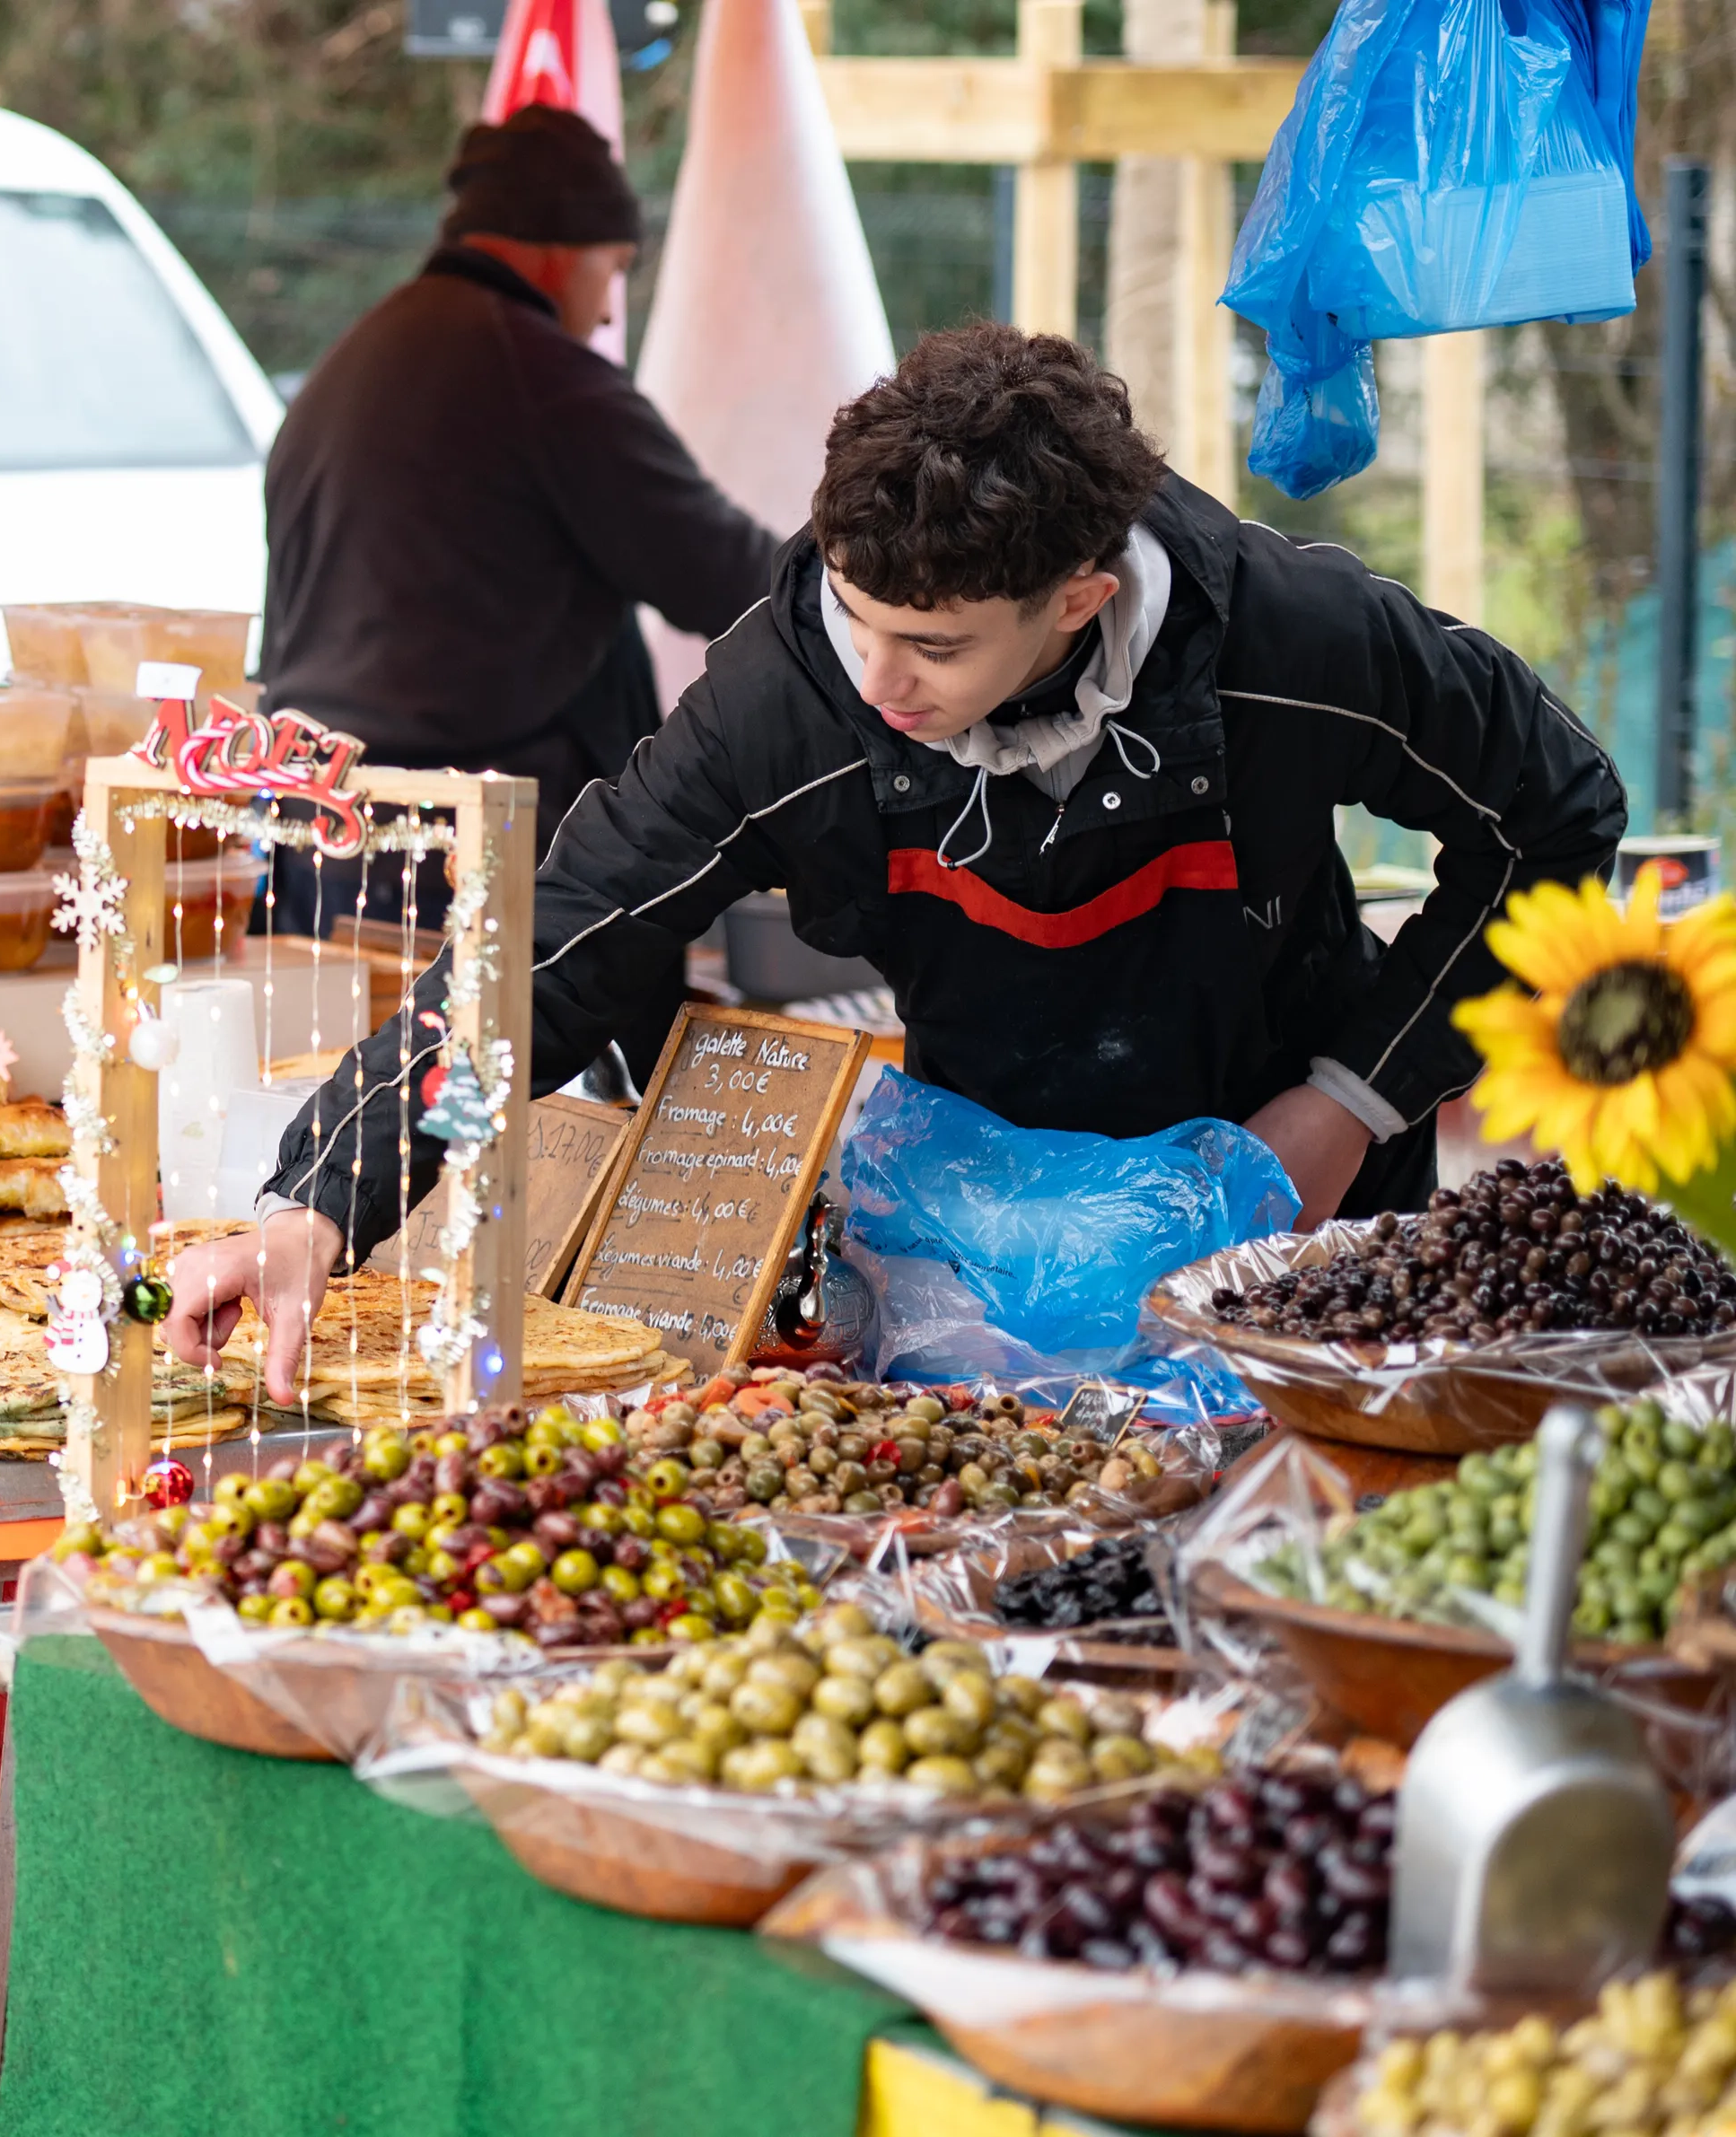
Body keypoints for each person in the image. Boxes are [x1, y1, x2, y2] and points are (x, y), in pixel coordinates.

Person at [171, 322, 1625, 1400]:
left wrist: (1348, 1101)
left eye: (933, 646)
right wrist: (318, 1204)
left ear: (1078, 599)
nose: (878, 679)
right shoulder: (789, 692)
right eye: (855, 614)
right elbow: (556, 945)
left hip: (1290, 1216)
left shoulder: (1300, 640)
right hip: (973, 1247)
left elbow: (1555, 823)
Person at [254, 104, 777, 1042]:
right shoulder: (544, 379)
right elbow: (730, 577)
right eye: (613, 269)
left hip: (320, 842)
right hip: (477, 855)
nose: (611, 307)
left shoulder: (349, 365)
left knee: (348, 1138)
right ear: (556, 251)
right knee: (517, 1161)